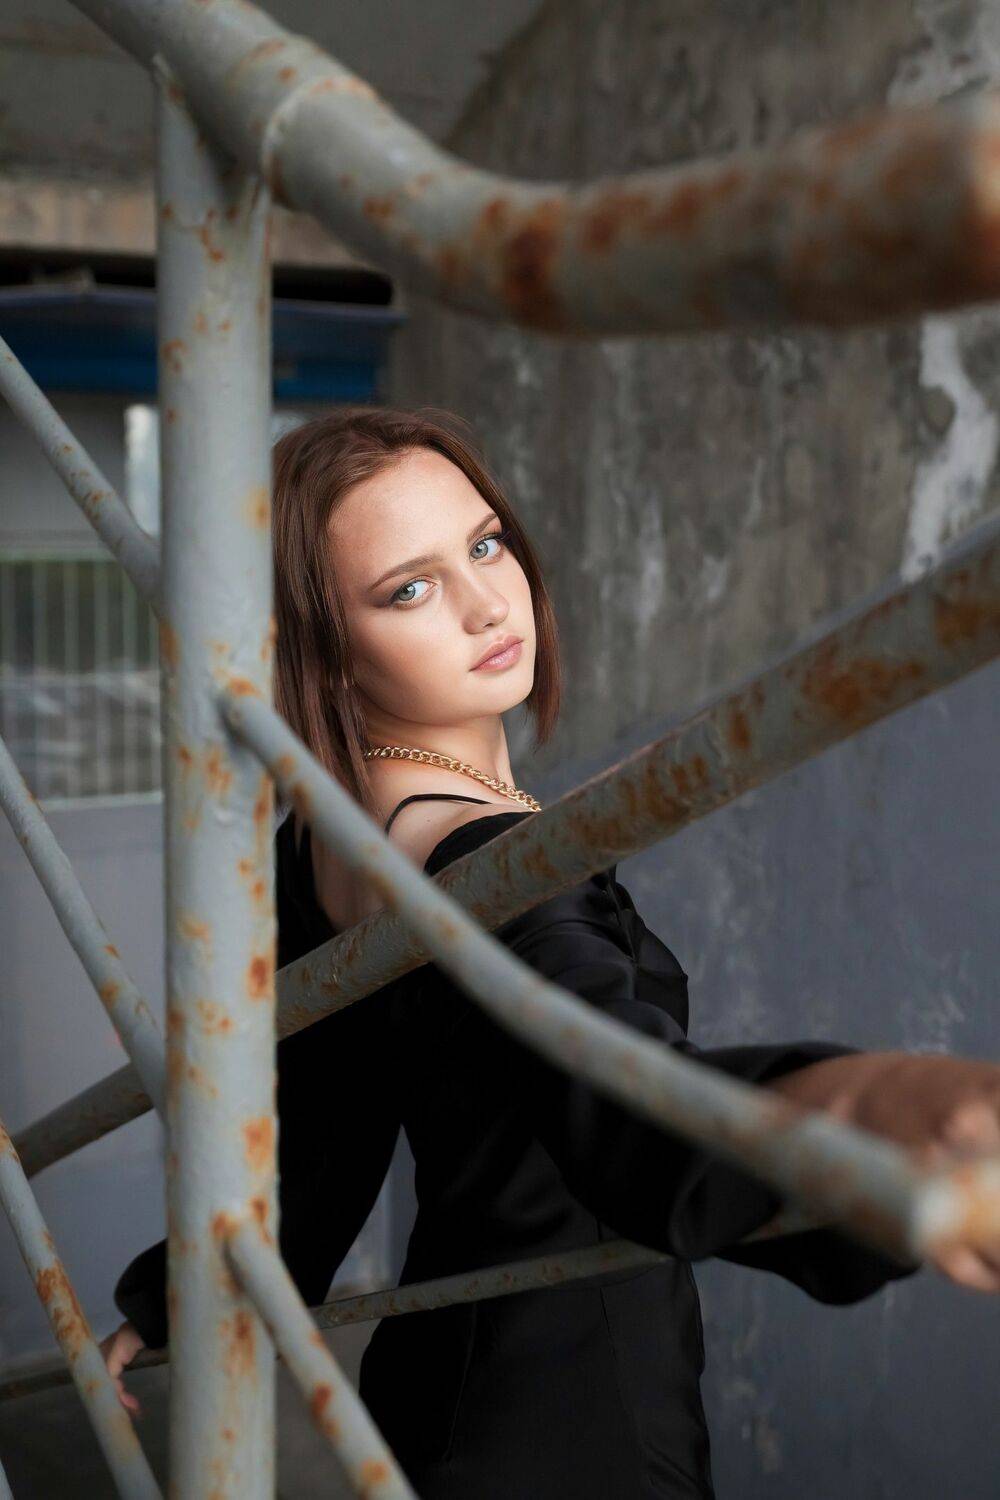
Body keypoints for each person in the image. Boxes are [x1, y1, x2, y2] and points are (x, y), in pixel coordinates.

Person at [101, 406, 1000, 1497]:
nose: (489, 602)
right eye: (409, 589)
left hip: (441, 1381)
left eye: (484, 543)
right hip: (580, 1414)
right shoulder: (488, 860)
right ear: (324, 648)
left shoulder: (325, 832)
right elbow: (632, 1119)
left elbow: (321, 1125)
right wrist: (902, 1111)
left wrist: (177, 1298)